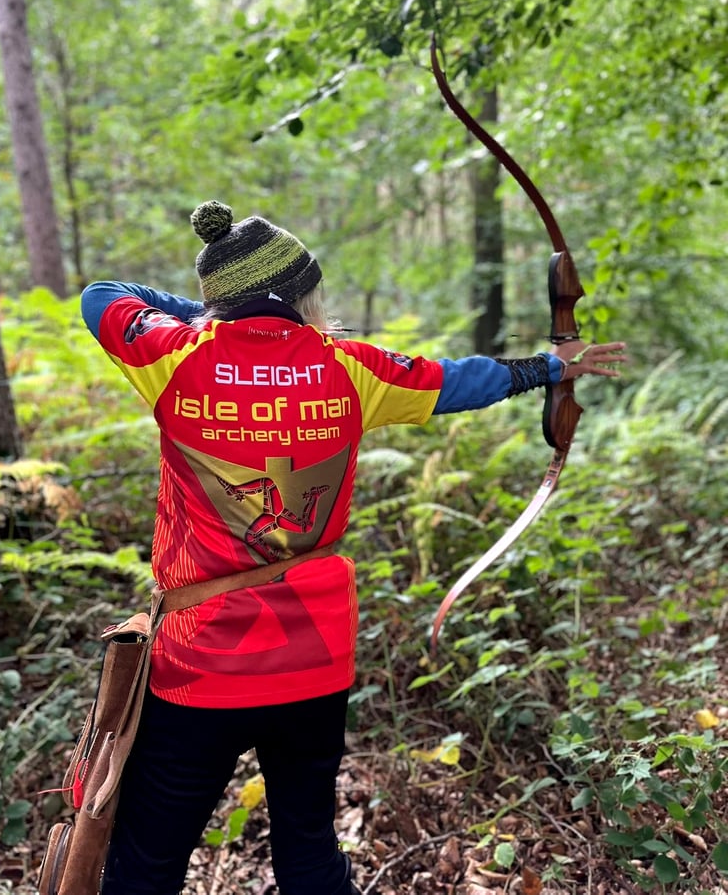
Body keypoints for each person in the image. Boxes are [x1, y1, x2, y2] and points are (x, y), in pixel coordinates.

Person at [80, 200, 626, 895]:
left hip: (203, 667)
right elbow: (459, 381)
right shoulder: (350, 368)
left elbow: (101, 296)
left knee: (149, 863)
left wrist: (215, 316)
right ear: (302, 295)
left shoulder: (172, 357)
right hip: (316, 659)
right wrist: (549, 368)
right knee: (308, 852)